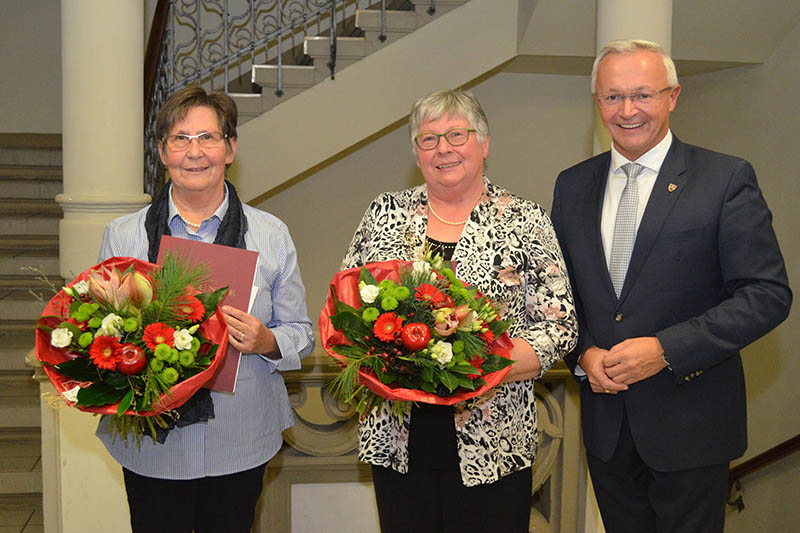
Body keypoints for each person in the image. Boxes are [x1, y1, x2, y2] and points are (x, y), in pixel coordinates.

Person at [550, 40, 792, 532]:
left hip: (692, 425)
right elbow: (559, 296)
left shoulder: (724, 178)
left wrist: (666, 349)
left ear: (673, 96)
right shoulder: (572, 185)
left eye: (643, 94)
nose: (628, 110)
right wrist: (582, 354)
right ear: (597, 103)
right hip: (607, 427)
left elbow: (767, 295)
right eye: (613, 97)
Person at [340, 89, 577, 533]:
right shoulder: (384, 212)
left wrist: (485, 366)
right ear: (416, 152)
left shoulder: (523, 219)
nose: (443, 148)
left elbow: (560, 326)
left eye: (456, 135)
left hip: (494, 440)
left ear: (484, 144)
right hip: (397, 438)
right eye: (428, 139)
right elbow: (347, 309)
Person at [95, 86, 314, 533]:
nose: (194, 152)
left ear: (230, 148)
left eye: (208, 138)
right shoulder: (124, 237)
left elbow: (301, 333)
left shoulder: (270, 234)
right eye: (180, 139)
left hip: (240, 439)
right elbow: (100, 336)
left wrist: (267, 340)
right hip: (152, 444)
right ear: (162, 152)